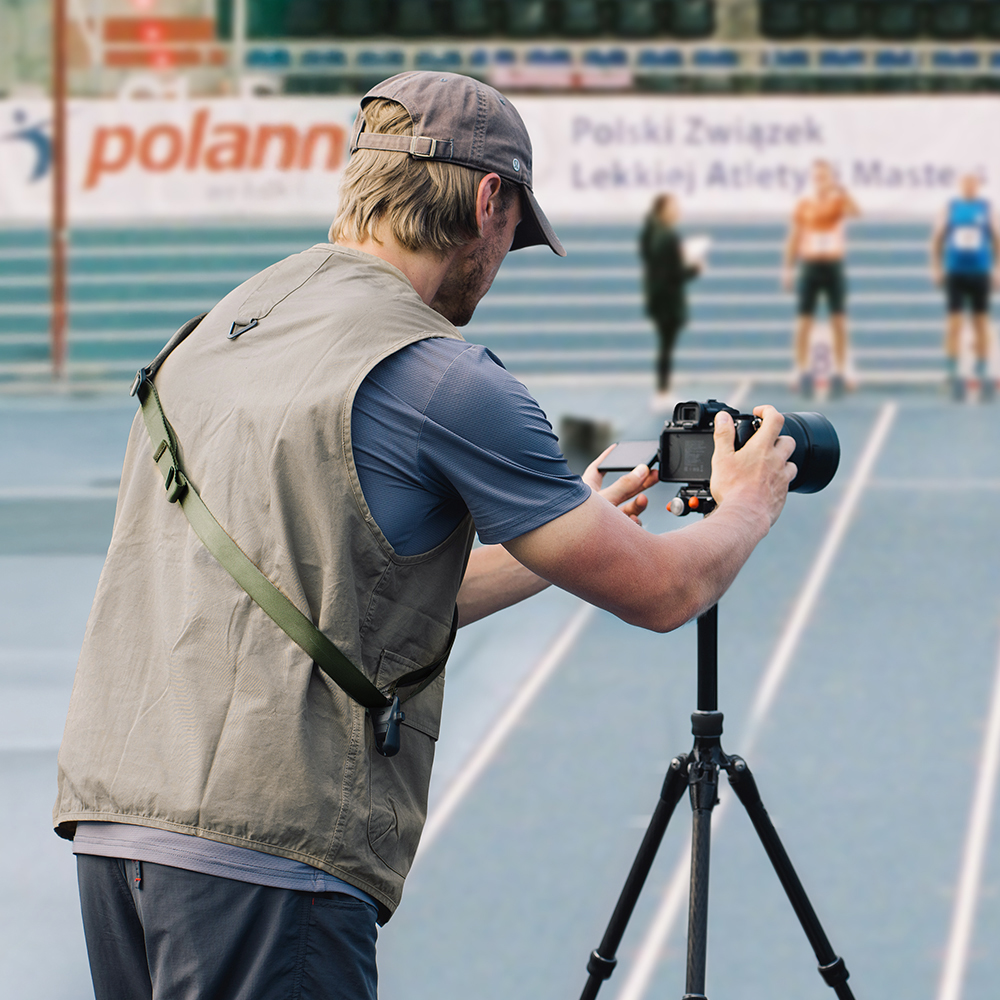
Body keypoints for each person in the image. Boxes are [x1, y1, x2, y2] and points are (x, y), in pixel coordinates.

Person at [54, 71, 797, 1000]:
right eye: (516, 235)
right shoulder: (442, 375)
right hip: (272, 851)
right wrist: (750, 501)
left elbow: (354, 589)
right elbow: (665, 591)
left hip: (118, 828)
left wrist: (560, 542)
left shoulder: (215, 333)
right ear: (490, 199)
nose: (505, 260)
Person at [783, 160, 860, 400]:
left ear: (830, 177)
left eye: (825, 176)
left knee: (838, 320)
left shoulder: (839, 202)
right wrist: (788, 268)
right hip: (811, 266)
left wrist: (842, 191)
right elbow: (795, 236)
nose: (821, 180)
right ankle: (801, 370)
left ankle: (841, 370)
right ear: (813, 178)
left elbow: (857, 212)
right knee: (804, 321)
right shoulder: (804, 205)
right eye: (817, 176)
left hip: (833, 267)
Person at [930, 173, 999, 402]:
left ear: (978, 186)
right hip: (955, 273)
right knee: (954, 325)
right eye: (965, 183)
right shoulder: (950, 208)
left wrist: (997, 269)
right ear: (961, 186)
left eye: (973, 183)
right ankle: (952, 373)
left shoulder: (986, 208)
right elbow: (937, 240)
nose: (969, 186)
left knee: (981, 323)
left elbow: (997, 239)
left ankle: (981, 371)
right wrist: (936, 267)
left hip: (979, 273)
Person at [640, 192, 700, 399]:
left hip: (658, 298)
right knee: (666, 347)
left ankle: (663, 387)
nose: (678, 212)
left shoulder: (652, 232)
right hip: (666, 301)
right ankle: (663, 391)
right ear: (664, 210)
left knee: (665, 346)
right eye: (674, 208)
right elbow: (674, 274)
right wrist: (695, 268)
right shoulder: (666, 237)